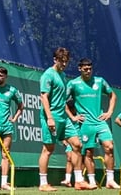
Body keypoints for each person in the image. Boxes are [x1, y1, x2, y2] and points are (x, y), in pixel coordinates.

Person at [38, 48, 88, 191]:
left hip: (64, 118)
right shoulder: (48, 75)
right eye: (62, 61)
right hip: (52, 116)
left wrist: (71, 117)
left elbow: (63, 100)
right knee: (48, 149)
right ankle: (43, 183)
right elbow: (44, 97)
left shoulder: (63, 75)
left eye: (66, 61)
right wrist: (49, 118)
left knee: (77, 145)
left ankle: (79, 181)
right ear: (55, 60)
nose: (64, 64)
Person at [67, 58, 119, 189]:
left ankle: (110, 180)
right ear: (80, 69)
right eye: (85, 69)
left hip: (100, 122)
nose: (88, 71)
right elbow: (62, 101)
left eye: (90, 69)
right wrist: (73, 117)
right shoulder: (73, 84)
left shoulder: (100, 81)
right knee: (88, 153)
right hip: (85, 124)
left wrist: (109, 112)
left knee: (109, 147)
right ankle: (92, 181)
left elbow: (113, 95)